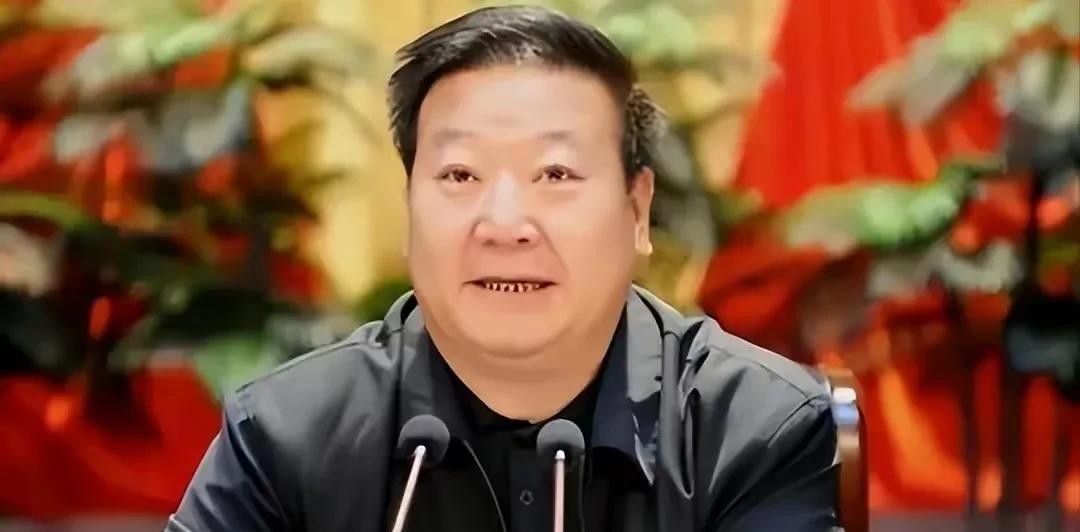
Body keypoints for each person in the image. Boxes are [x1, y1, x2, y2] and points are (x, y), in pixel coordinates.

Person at [167, 5, 840, 531]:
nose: (505, 223)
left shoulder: (752, 428)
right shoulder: (286, 431)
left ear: (637, 211)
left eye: (556, 174)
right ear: (409, 209)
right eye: (461, 175)